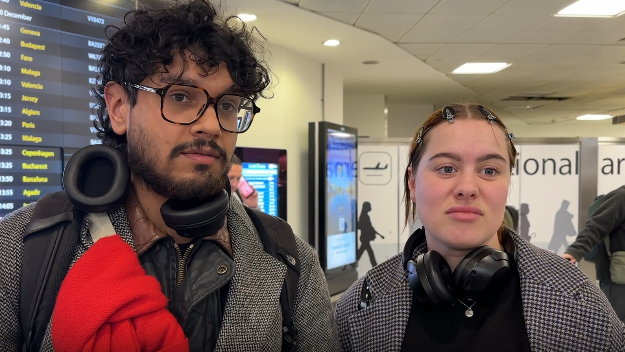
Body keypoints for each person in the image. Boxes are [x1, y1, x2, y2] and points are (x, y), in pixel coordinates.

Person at [0, 1, 339, 351]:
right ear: (118, 107)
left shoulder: (291, 260)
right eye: (179, 96)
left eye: (227, 105)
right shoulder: (21, 250)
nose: (210, 124)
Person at [335, 103, 625, 351]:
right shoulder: (358, 309)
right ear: (412, 182)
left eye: (489, 170)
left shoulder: (577, 299)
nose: (467, 188)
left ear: (508, 184)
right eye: (447, 168)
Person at [562, 186, 625, 322]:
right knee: (616, 332)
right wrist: (575, 251)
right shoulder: (621, 197)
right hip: (618, 283)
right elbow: (596, 226)